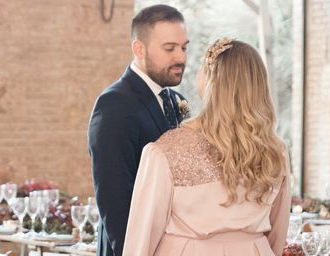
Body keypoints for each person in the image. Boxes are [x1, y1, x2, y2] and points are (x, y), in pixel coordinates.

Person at [123, 38, 290, 256]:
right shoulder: (275, 151)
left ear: (211, 80)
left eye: (202, 68)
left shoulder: (165, 151)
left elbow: (142, 239)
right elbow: (278, 234)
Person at [88, 4, 190, 256]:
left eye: (184, 47)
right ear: (139, 48)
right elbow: (114, 198)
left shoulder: (175, 99)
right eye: (169, 48)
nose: (181, 58)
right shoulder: (115, 104)